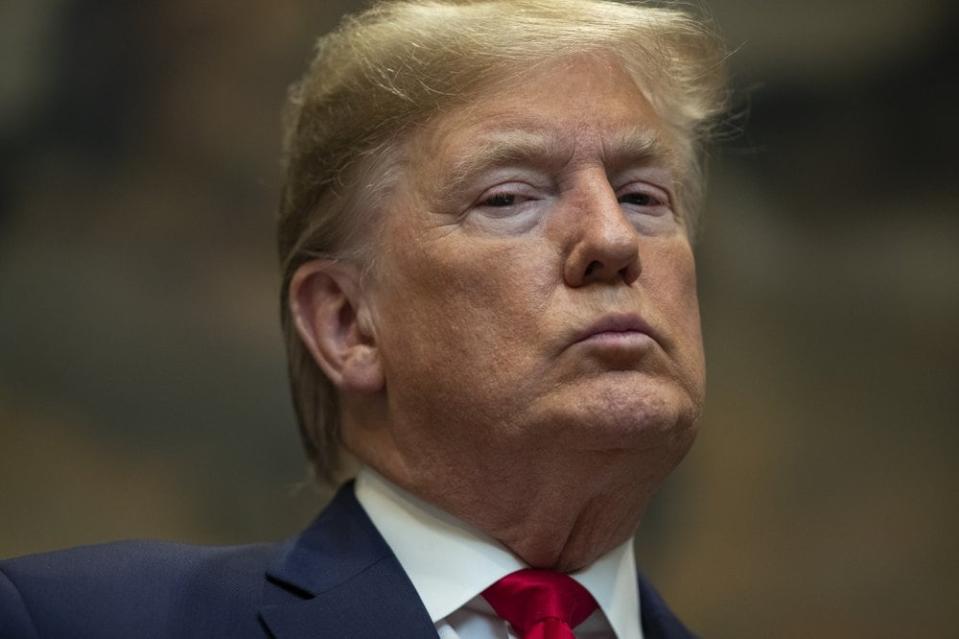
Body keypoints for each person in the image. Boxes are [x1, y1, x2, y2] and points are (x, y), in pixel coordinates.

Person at [0, 1, 727, 637]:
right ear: (347, 324)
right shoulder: (69, 619)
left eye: (642, 196)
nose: (612, 240)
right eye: (508, 198)